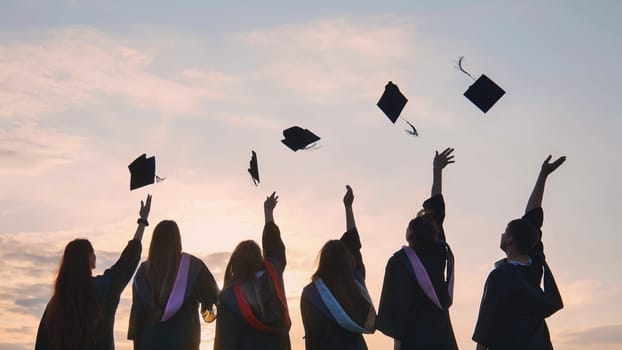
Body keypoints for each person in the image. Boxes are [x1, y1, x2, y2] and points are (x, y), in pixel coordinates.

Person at [35, 194, 152, 350]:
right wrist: (142, 222)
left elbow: (42, 346)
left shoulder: (56, 305)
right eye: (92, 252)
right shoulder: (104, 288)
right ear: (88, 259)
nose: (95, 255)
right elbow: (127, 261)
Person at [473, 155, 565, 350]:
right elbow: (532, 218)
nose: (502, 233)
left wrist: (543, 174)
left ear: (511, 240)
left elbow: (486, 326)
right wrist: (543, 176)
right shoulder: (535, 266)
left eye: (506, 231)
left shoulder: (500, 276)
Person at [376, 148, 458, 350]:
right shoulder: (440, 254)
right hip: (443, 341)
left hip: (414, 342)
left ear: (409, 235)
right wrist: (437, 172)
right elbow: (437, 213)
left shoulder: (400, 263)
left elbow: (398, 315)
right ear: (434, 235)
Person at [300, 185, 376, 350]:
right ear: (349, 262)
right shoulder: (355, 285)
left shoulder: (312, 294)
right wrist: (349, 208)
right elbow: (354, 246)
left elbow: (313, 339)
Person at [214, 191, 291, 350]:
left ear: (235, 263)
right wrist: (268, 213)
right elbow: (274, 247)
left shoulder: (230, 297)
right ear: (259, 260)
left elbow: (224, 343)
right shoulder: (273, 274)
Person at [128, 219, 219, 350]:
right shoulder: (193, 267)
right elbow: (214, 299)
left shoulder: (143, 272)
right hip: (185, 341)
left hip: (150, 342)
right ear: (178, 240)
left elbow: (137, 319)